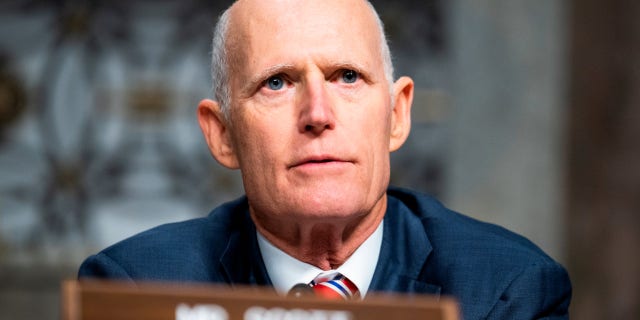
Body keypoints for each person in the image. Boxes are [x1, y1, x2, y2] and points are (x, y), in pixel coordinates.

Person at [78, 0, 572, 319]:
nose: (317, 114)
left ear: (397, 115)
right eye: (277, 82)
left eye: (348, 77)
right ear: (223, 134)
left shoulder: (508, 291)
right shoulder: (136, 290)